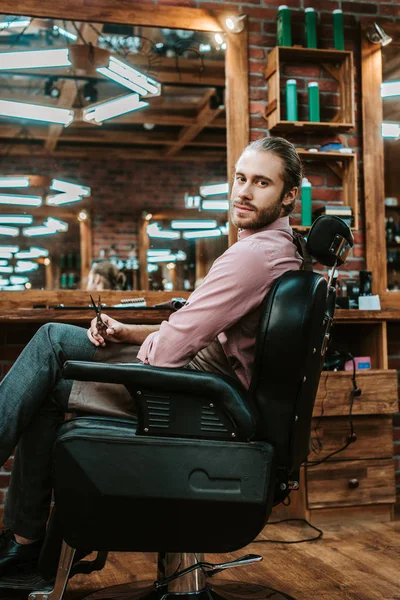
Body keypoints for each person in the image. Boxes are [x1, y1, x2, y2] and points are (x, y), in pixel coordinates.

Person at [0, 136, 303, 575]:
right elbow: (199, 331)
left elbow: (167, 354)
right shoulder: (278, 248)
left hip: (202, 399)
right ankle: (25, 539)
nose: (243, 192)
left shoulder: (252, 257)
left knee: (50, 342)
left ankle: (25, 538)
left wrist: (137, 344)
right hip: (210, 384)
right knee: (51, 373)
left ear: (289, 195)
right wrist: (127, 332)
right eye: (240, 179)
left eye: (261, 183)